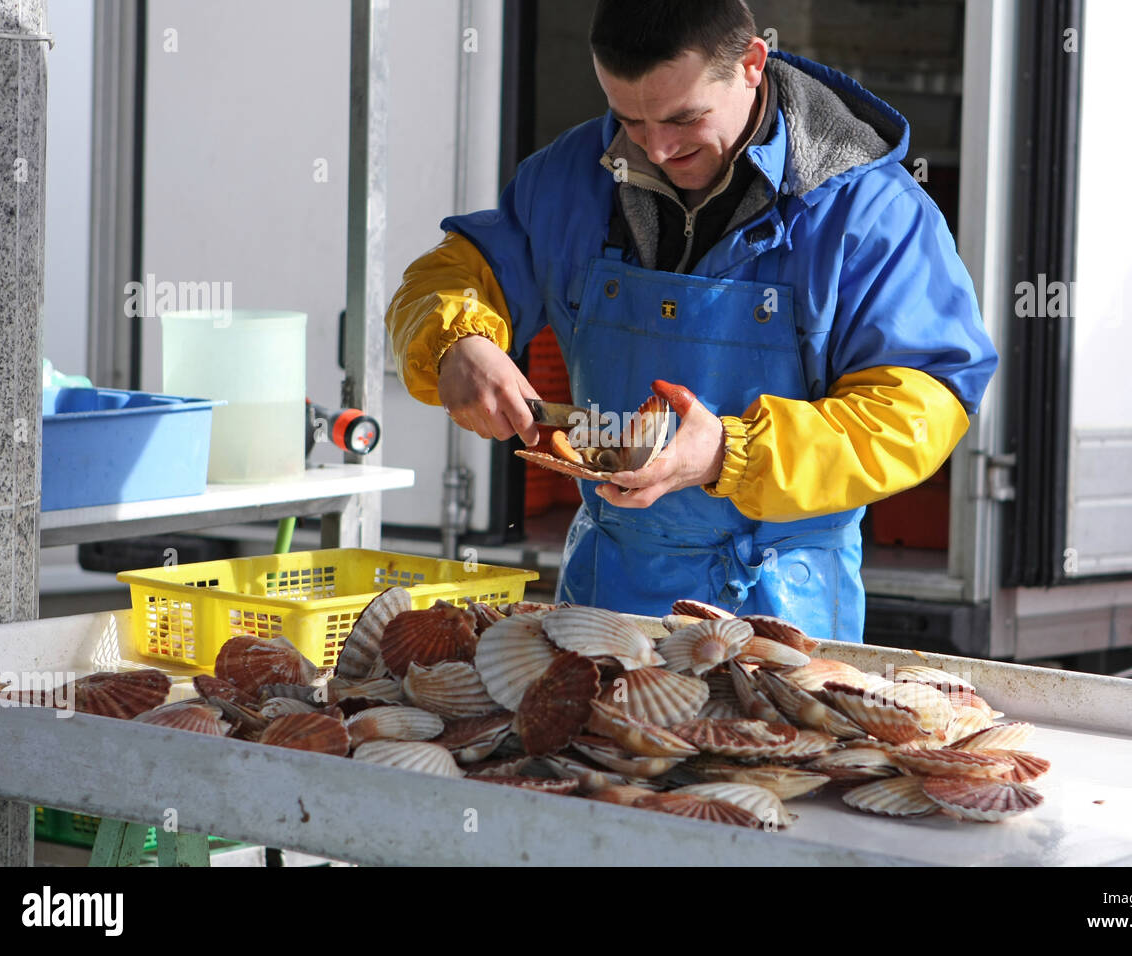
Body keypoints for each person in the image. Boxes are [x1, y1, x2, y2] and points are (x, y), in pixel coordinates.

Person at [385, 0, 997, 642]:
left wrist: (733, 453)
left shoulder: (873, 213)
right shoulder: (568, 178)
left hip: (787, 615)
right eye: (629, 119)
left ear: (753, 64)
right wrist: (457, 339)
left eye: (685, 118)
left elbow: (923, 403)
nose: (656, 147)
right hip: (603, 602)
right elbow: (451, 273)